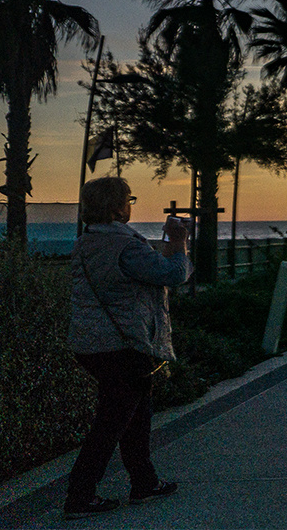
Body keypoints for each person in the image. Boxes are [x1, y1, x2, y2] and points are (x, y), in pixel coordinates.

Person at [65, 176, 190, 519]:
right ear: (118, 206)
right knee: (113, 420)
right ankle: (80, 496)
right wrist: (177, 242)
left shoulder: (85, 243)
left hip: (91, 343)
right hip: (123, 344)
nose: (130, 204)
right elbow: (171, 275)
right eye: (128, 198)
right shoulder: (125, 245)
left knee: (135, 413)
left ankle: (144, 482)